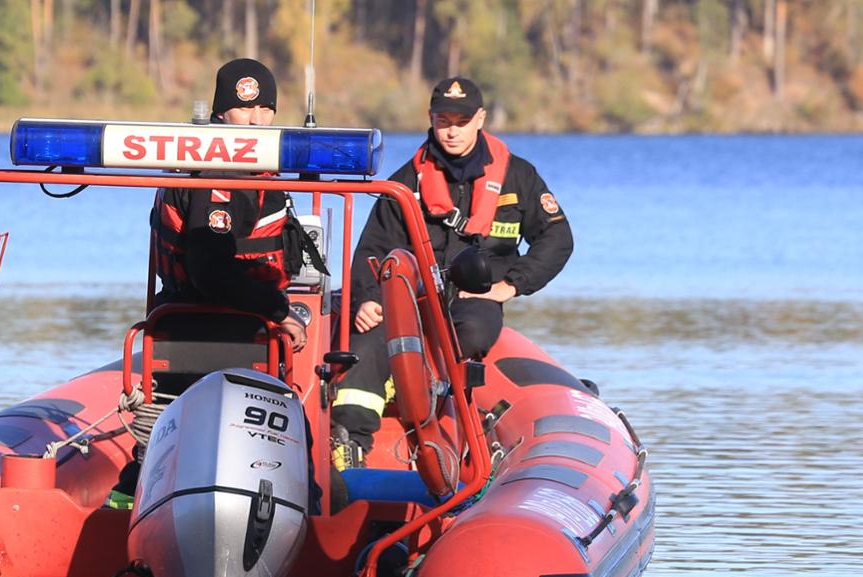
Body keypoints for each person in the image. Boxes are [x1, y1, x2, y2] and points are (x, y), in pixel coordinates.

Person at [329, 76, 573, 469]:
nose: (452, 131)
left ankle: (445, 418)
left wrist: (510, 286)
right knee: (367, 346)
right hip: (409, 300)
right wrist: (368, 299)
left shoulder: (518, 176)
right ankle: (347, 446)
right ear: (431, 118)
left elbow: (557, 238)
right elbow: (372, 250)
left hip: (473, 299)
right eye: (444, 121)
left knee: (472, 333)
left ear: (481, 119)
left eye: (462, 121)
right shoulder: (405, 183)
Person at [148, 57, 307, 350]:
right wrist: (280, 312)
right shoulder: (220, 173)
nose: (257, 120)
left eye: (265, 108)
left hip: (225, 316)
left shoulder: (240, 165)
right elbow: (210, 273)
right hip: (216, 327)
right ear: (221, 112)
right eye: (245, 108)